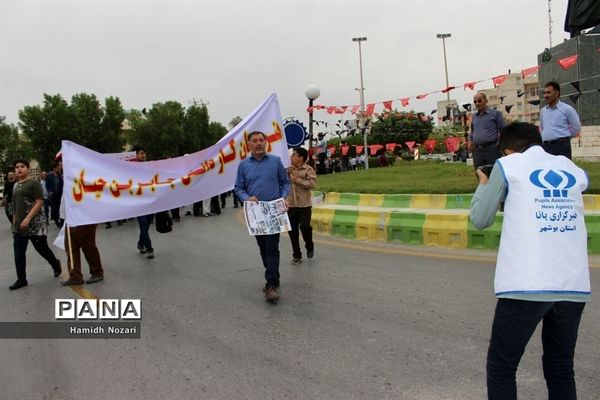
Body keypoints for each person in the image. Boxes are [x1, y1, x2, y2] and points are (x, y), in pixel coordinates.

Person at [470, 122, 590, 400]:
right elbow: (585, 180)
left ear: (509, 151)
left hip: (526, 283)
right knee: (560, 367)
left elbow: (480, 219)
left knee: (502, 366)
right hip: (573, 286)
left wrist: (484, 185)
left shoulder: (508, 166)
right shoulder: (570, 168)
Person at [234, 131, 290, 302]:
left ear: (266, 143)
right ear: (249, 145)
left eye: (261, 140)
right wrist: (246, 198)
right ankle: (273, 273)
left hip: (273, 212)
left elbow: (285, 182)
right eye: (254, 141)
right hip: (256, 214)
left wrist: (283, 198)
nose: (258, 143)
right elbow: (238, 188)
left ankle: (270, 284)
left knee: (272, 247)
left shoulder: (275, 162)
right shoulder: (243, 166)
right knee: (263, 247)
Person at [9, 159, 62, 290]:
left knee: (42, 249)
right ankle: (21, 279)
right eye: (17, 167)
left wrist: (28, 218)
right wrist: (15, 222)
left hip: (35, 223)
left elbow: (39, 202)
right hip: (19, 227)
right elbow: (15, 205)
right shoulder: (16, 185)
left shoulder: (34, 183)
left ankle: (55, 264)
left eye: (22, 166)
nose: (19, 169)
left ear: (27, 169)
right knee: (18, 252)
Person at [60, 194, 104, 286]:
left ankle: (97, 272)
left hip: (84, 215)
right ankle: (75, 276)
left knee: (88, 245)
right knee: (71, 248)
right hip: (70, 216)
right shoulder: (67, 179)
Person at [286, 147, 317, 265]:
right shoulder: (288, 170)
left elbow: (312, 184)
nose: (292, 156)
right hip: (291, 205)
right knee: (292, 231)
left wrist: (297, 180)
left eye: (294, 155)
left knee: (305, 227)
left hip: (304, 205)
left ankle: (309, 244)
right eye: (292, 154)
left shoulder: (308, 169)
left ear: (301, 158)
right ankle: (296, 254)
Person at [540, 81, 581, 159]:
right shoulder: (543, 111)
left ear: (557, 93)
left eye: (548, 92)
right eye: (544, 93)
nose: (545, 95)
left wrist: (564, 138)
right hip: (546, 147)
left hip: (562, 147)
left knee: (563, 169)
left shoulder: (567, 109)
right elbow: (542, 128)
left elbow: (576, 128)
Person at [469, 92, 504, 169]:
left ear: (486, 101)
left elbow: (503, 131)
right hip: (477, 151)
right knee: (480, 174)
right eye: (475, 102)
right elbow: (472, 131)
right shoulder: (474, 116)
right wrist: (470, 142)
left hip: (492, 149)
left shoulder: (496, 114)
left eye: (479, 101)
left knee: (494, 174)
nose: (477, 103)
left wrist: (499, 145)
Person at [132, 145, 154, 259]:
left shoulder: (148, 166)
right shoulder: (129, 167)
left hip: (148, 200)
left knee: (147, 223)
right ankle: (149, 248)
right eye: (141, 153)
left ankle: (140, 244)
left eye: (144, 153)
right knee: (143, 224)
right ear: (135, 154)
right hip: (137, 201)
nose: (143, 155)